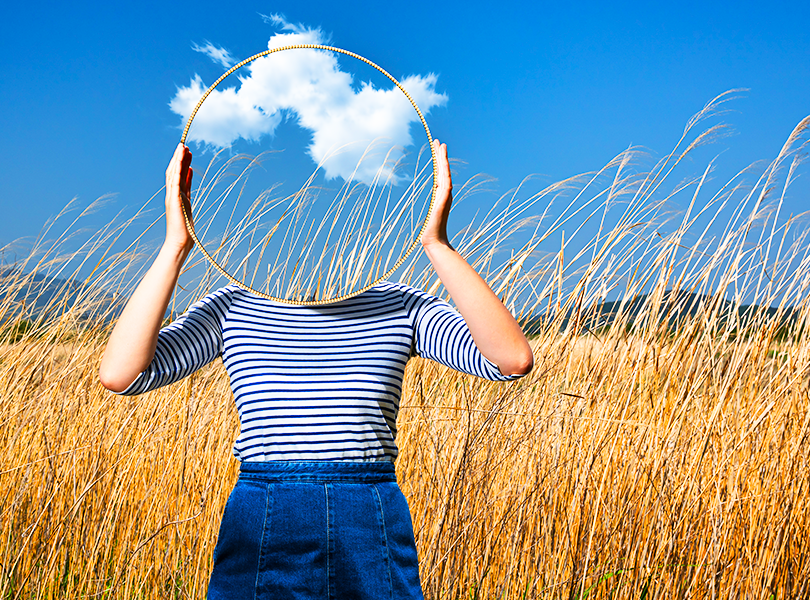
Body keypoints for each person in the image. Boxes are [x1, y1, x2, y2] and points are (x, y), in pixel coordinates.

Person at [99, 141, 533, 599]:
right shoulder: (234, 307)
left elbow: (511, 360)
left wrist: (436, 243)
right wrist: (175, 244)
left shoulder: (398, 304)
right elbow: (121, 374)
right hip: (264, 507)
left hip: (368, 509)